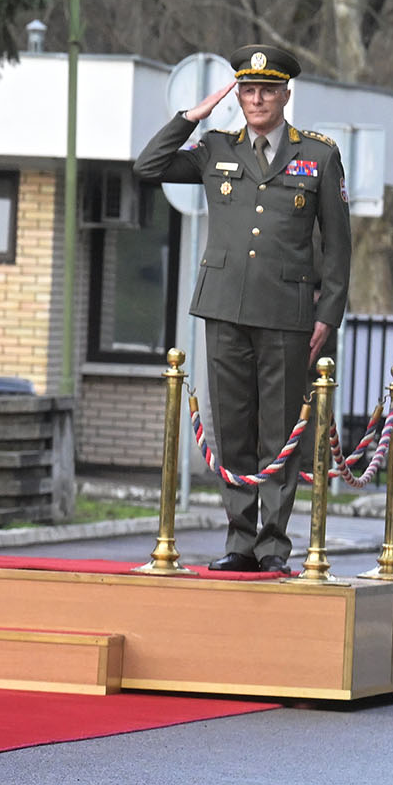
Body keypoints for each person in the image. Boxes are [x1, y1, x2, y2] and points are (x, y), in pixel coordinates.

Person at [134, 46, 351, 574]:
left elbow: (338, 245)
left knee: (279, 432)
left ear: (285, 95)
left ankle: (273, 546)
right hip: (225, 307)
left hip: (287, 313)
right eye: (248, 91)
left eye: (267, 91)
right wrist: (193, 115)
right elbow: (148, 165)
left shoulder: (318, 155)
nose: (257, 100)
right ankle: (240, 540)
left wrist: (328, 314)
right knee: (232, 429)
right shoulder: (214, 148)